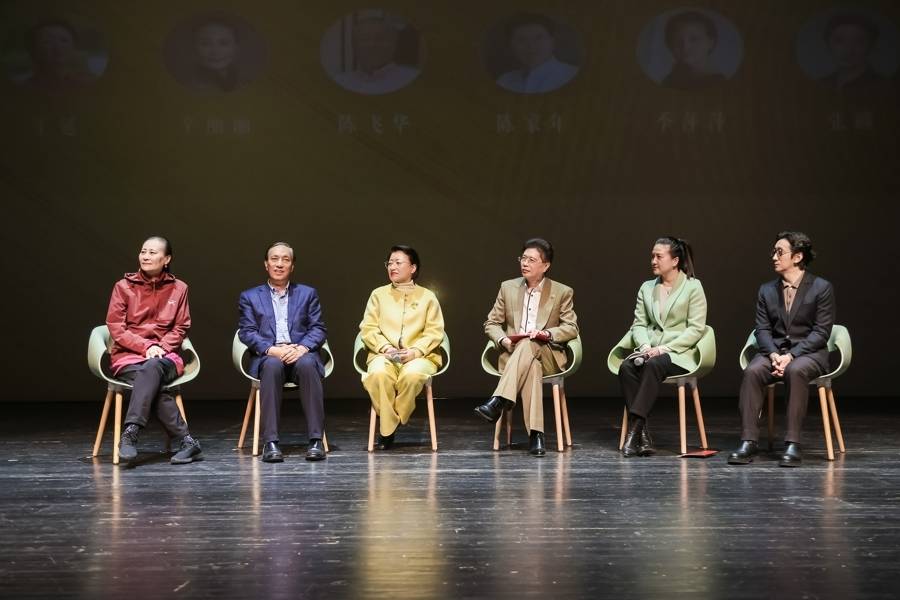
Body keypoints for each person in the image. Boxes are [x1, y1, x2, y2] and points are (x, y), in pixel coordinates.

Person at [728, 232, 836, 467]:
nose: (774, 257)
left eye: (780, 252)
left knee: (795, 370)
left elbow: (821, 332)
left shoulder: (821, 287)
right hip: (775, 353)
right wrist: (774, 354)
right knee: (752, 371)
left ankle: (793, 443)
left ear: (797, 257)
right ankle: (749, 440)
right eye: (774, 252)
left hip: (808, 354)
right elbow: (762, 329)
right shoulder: (766, 290)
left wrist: (791, 356)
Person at [475, 238, 579, 456]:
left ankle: (499, 400)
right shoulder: (508, 287)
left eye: (531, 260)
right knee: (531, 365)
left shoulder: (562, 291)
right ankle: (536, 435)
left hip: (548, 354)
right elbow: (491, 323)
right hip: (514, 355)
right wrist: (503, 340)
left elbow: (571, 328)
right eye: (523, 258)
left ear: (545, 265)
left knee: (531, 342)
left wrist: (547, 334)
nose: (525, 263)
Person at [106, 236, 202, 464]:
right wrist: (146, 346)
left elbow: (181, 327)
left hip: (165, 357)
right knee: (152, 382)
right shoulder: (123, 287)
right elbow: (116, 327)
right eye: (143, 251)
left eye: (152, 252)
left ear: (166, 259)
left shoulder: (179, 288)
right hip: (128, 357)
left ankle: (131, 431)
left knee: (152, 368)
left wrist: (161, 347)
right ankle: (187, 441)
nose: (146, 256)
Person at [612, 237, 707, 457]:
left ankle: (634, 432)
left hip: (679, 353)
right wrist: (646, 346)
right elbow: (639, 324)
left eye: (658, 256)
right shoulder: (647, 288)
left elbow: (696, 329)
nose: (653, 260)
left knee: (654, 364)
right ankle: (644, 436)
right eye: (652, 256)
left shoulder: (693, 286)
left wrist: (663, 349)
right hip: (650, 352)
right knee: (626, 367)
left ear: (675, 261)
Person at [238, 242, 328, 462]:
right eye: (274, 259)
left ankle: (316, 440)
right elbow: (247, 332)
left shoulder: (307, 293)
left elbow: (318, 328)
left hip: (300, 353)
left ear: (292, 266)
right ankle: (270, 443)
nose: (279, 264)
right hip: (270, 355)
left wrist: (302, 348)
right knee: (271, 365)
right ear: (266, 264)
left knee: (308, 364)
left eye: (285, 260)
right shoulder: (250, 296)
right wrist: (272, 350)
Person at [359, 245, 445, 449]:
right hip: (384, 355)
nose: (392, 267)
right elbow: (368, 328)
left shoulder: (427, 297)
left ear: (413, 268)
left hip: (419, 356)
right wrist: (385, 348)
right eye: (390, 263)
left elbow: (435, 331)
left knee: (412, 376)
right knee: (378, 374)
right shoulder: (378, 295)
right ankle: (389, 426)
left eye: (398, 263)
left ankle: (388, 423)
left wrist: (415, 351)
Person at [332, 14, 421, 95]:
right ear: (354, 46)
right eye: (365, 39)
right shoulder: (340, 82)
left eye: (381, 39)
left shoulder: (413, 80)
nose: (372, 45)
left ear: (394, 45)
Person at [495, 13, 579, 94]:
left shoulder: (571, 75)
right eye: (521, 40)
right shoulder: (504, 81)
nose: (531, 46)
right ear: (511, 45)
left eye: (539, 38)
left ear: (552, 42)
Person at [24, 18, 97, 90]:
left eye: (64, 40)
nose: (58, 47)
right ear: (33, 49)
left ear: (74, 47)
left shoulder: (91, 82)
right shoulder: (27, 87)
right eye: (47, 41)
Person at [661, 11, 727, 90]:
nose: (685, 47)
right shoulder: (668, 82)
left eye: (694, 39)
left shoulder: (719, 84)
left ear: (710, 43)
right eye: (678, 40)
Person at [819, 13, 884, 92]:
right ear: (828, 45)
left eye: (858, 41)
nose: (848, 50)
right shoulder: (822, 83)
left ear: (871, 46)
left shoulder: (882, 85)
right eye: (839, 41)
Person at [188, 19, 243, 92]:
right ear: (194, 47)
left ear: (236, 47)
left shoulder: (243, 82)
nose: (215, 52)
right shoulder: (190, 85)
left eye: (224, 43)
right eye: (205, 44)